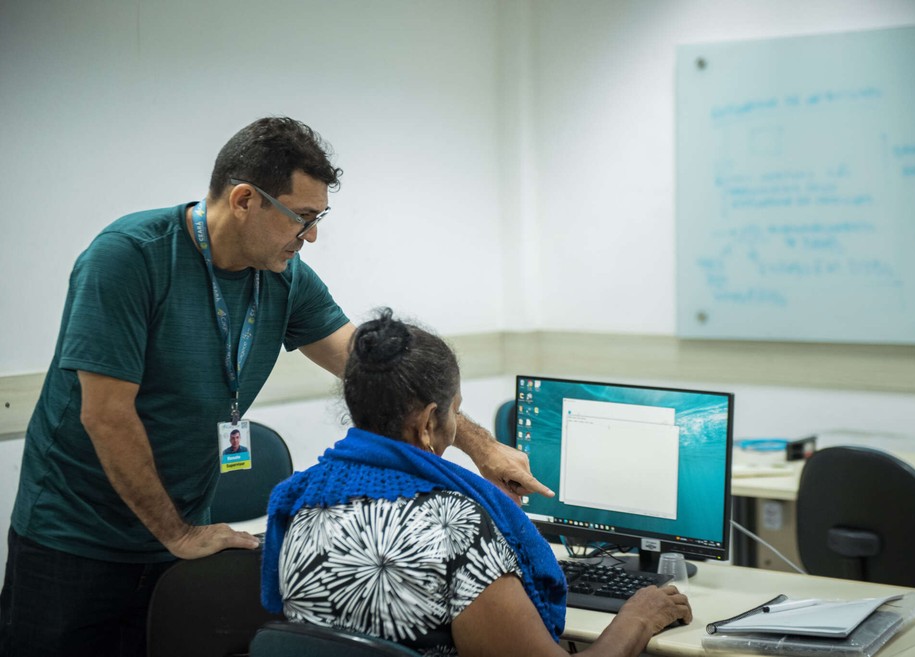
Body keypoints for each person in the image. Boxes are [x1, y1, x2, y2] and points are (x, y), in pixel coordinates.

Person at [0, 117, 549, 657]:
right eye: (302, 218)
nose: (312, 235)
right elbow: (106, 415)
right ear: (245, 200)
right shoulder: (129, 257)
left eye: (318, 217)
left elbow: (381, 372)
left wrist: (481, 447)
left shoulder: (283, 278)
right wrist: (179, 534)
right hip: (74, 537)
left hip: (178, 536)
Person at [261, 309, 692, 657]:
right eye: (455, 411)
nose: (456, 424)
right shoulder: (457, 527)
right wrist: (637, 618)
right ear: (428, 423)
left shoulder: (301, 502)